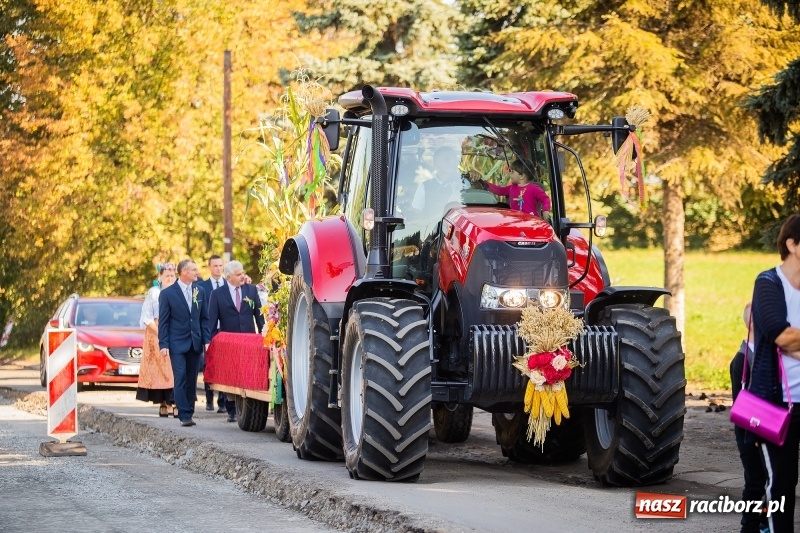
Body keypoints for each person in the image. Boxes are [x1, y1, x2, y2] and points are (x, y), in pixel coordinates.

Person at [747, 213, 800, 532]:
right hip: (774, 403)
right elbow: (780, 334)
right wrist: (788, 339)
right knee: (780, 484)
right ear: (792, 244)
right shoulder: (768, 283)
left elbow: (791, 338)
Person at [208, 260, 266, 423]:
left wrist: (264, 337)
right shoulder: (217, 294)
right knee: (231, 376)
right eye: (238, 274)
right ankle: (231, 410)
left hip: (249, 341)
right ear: (229, 277)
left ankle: (249, 407)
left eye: (242, 273)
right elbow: (212, 322)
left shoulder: (251, 290)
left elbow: (259, 316)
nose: (243, 276)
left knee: (248, 374)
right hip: (229, 344)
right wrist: (211, 343)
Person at [729, 301, 768, 533]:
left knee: (768, 480)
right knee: (755, 481)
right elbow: (742, 404)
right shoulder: (742, 360)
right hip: (749, 434)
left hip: (765, 431)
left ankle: (764, 522)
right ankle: (750, 526)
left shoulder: (764, 357)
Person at [158, 259, 210, 427]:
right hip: (176, 343)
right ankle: (184, 414)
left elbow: (204, 318)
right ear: (184, 272)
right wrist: (163, 344)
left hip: (195, 342)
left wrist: (207, 340)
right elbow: (163, 322)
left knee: (191, 378)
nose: (197, 272)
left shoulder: (200, 291)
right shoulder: (167, 293)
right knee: (180, 377)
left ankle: (190, 410)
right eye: (194, 269)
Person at [135, 262, 177, 418]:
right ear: (160, 277)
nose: (170, 279)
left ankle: (175, 402)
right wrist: (161, 333)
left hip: (176, 331)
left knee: (174, 368)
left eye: (172, 276)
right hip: (156, 333)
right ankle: (163, 402)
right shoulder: (154, 293)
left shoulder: (179, 291)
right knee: (160, 370)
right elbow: (147, 317)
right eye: (167, 276)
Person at [198, 254, 226, 414]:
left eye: (220, 265)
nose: (218, 268)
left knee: (223, 364)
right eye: (215, 266)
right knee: (208, 363)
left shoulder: (227, 284)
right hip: (209, 330)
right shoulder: (203, 287)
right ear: (209, 267)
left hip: (224, 330)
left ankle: (222, 401)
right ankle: (209, 398)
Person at [474, 159, 551, 217]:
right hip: (515, 221)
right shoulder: (512, 188)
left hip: (531, 222)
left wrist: (545, 210)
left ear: (521, 176)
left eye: (512, 172)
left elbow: (545, 199)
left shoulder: (534, 188)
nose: (510, 173)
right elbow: (500, 191)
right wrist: (485, 184)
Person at [411, 146, 465, 212]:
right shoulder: (424, 187)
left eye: (455, 159)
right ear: (435, 164)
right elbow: (416, 212)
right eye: (447, 160)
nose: (453, 162)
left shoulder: (466, 184)